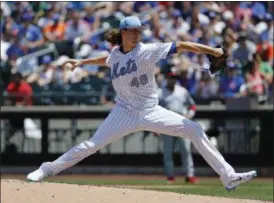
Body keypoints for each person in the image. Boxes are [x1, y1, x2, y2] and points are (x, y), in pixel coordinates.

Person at [27, 16, 256, 191]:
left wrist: (213, 50)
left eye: (140, 31)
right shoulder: (116, 54)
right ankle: (46, 170)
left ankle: (228, 177)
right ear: (123, 32)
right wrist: (82, 61)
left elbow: (183, 45)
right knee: (91, 145)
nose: (138, 34)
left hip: (151, 111)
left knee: (194, 129)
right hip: (123, 113)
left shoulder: (147, 51)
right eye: (134, 31)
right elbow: (106, 60)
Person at [158, 72, 197, 184]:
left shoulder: (182, 91)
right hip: (167, 124)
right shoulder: (160, 92)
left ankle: (189, 175)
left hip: (181, 123)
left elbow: (192, 106)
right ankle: (170, 175)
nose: (173, 80)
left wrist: (189, 115)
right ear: (166, 78)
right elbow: (153, 108)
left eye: (174, 78)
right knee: (168, 152)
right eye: (171, 78)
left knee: (186, 150)